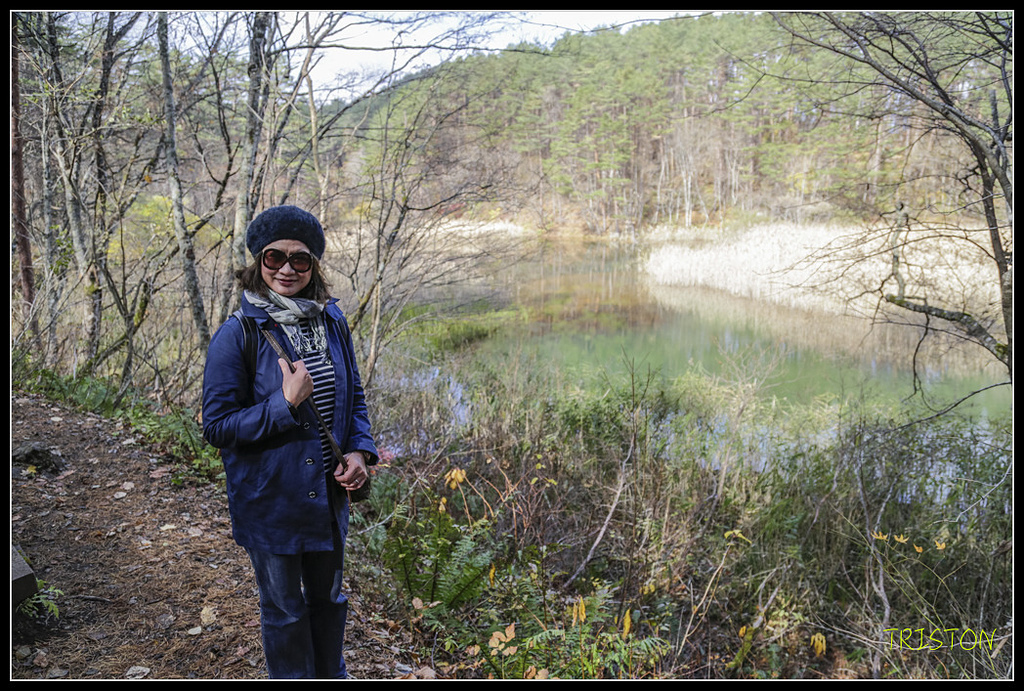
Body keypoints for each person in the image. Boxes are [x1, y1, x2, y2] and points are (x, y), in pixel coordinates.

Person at [202, 204, 377, 679]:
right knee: (284, 610)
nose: (286, 269)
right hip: (271, 500)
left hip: (327, 497)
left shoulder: (331, 320)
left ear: (314, 266)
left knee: (329, 600)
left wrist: (360, 451)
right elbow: (216, 426)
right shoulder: (237, 335)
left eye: (300, 259)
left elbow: (354, 394)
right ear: (258, 262)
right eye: (273, 257)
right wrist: (284, 403)